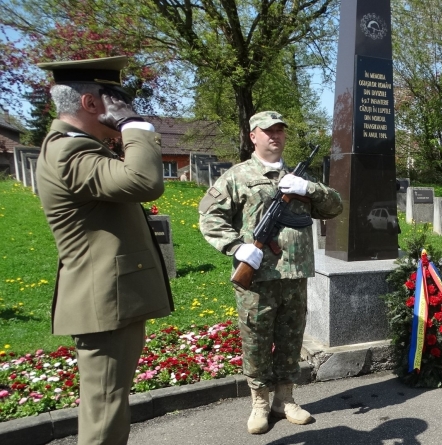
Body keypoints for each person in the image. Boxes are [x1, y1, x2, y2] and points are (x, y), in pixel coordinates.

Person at [34, 56, 174, 444]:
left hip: (110, 299)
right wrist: (134, 125)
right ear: (91, 104)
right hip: (103, 303)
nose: (123, 109)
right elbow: (145, 180)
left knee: (108, 406)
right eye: (116, 100)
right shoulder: (70, 152)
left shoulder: (80, 147)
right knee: (104, 413)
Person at [198, 111, 343, 434]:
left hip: (294, 276)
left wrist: (310, 188)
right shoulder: (238, 176)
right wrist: (236, 247)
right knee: (256, 341)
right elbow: (209, 217)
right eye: (267, 131)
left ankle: (285, 399)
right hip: (258, 278)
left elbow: (335, 207)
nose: (275, 137)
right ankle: (260, 403)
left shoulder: (298, 178)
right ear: (253, 136)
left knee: (291, 341)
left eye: (280, 131)